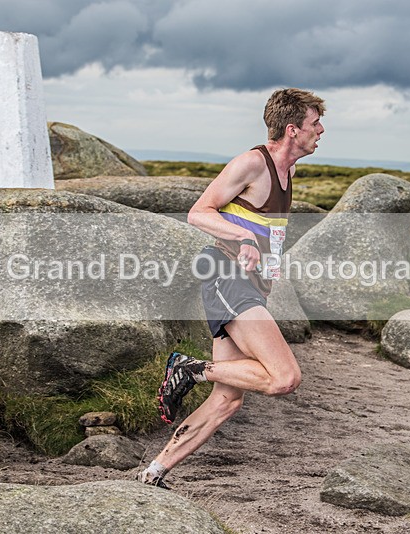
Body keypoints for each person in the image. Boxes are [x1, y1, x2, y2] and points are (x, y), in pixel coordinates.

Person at [137, 88, 325, 489]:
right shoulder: (252, 163)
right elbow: (199, 212)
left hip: (251, 285)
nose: (321, 131)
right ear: (293, 130)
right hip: (226, 274)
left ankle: (153, 472)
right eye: (314, 124)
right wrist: (242, 238)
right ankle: (188, 369)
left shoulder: (287, 171)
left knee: (227, 400)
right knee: (284, 378)